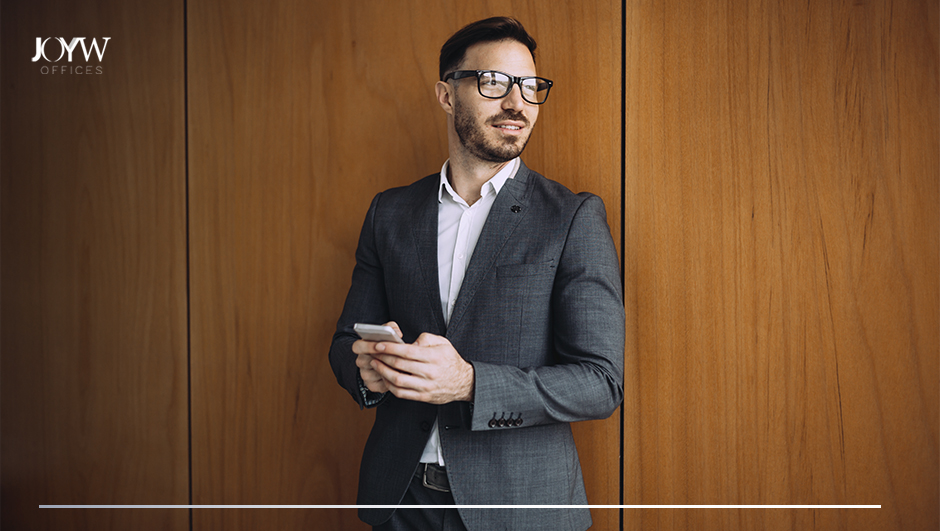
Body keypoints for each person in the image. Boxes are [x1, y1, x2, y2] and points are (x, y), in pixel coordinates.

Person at [329, 16, 624, 531]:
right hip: (402, 502)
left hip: (519, 509)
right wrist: (367, 372)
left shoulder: (571, 217)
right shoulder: (389, 213)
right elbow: (343, 342)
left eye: (530, 86)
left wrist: (468, 383)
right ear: (447, 95)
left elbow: (600, 382)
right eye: (494, 82)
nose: (517, 103)